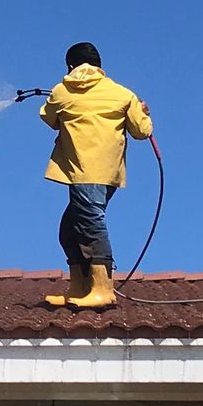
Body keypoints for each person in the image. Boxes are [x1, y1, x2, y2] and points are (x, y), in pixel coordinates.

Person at [39, 42, 153, 309]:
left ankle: (103, 288)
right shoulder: (123, 94)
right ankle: (79, 287)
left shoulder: (61, 91)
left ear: (70, 66)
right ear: (100, 67)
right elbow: (141, 132)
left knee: (90, 223)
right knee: (69, 228)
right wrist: (145, 114)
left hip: (81, 169)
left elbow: (48, 117)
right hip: (107, 172)